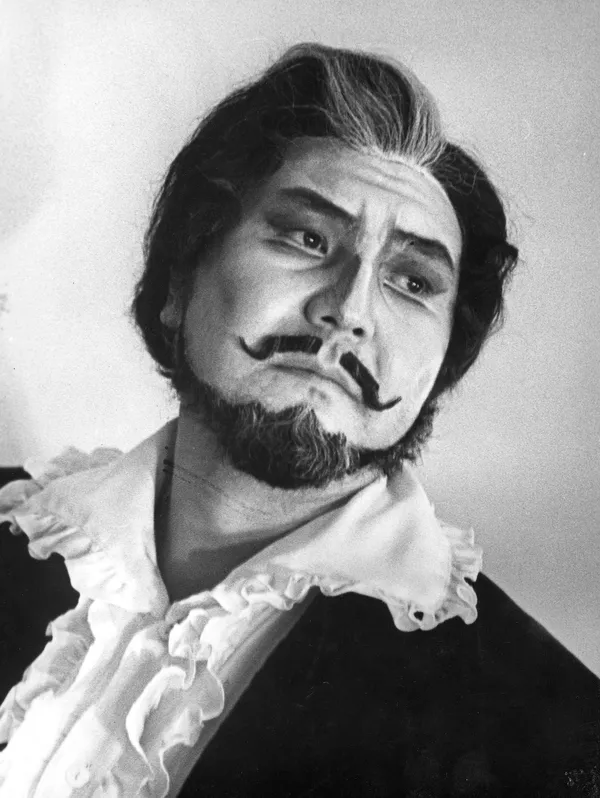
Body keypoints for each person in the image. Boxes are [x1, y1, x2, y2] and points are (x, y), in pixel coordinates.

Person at [0, 42, 598, 797]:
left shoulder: (552, 734)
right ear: (179, 282)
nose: (349, 311)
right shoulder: (17, 525)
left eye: (412, 282)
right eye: (308, 239)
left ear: (441, 368)